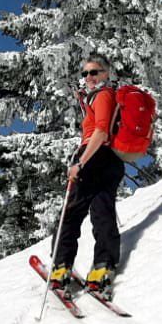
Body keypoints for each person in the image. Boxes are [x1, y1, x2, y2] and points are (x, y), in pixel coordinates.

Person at [49, 54, 125, 293]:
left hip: (93, 157)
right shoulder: (104, 96)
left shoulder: (103, 96)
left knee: (71, 213)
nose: (89, 77)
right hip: (111, 160)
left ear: (106, 74)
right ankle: (103, 266)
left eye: (94, 72)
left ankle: (60, 266)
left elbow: (100, 132)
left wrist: (80, 162)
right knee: (102, 211)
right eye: (85, 73)